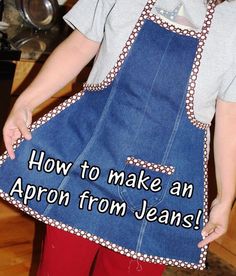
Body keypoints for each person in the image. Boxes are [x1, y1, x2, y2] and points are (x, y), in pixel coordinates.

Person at [1, 0, 236, 275]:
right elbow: (80, 45)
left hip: (161, 195)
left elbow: (229, 115)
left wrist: (226, 195)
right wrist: (25, 103)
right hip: (86, 169)